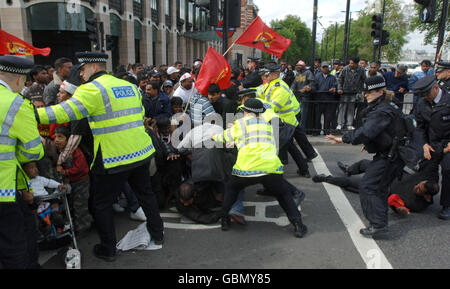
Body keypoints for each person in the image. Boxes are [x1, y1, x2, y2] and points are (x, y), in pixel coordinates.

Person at [35, 52, 164, 262]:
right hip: (141, 152)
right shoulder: (129, 86)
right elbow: (138, 115)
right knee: (145, 195)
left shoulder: (92, 89)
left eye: (83, 69)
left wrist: (31, 113)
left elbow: (62, 113)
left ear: (93, 67)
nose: (81, 75)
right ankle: (157, 234)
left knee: (101, 204)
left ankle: (108, 249)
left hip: (113, 157)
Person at [212, 98, 308, 238]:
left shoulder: (240, 124)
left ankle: (224, 220)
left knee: (232, 188)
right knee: (283, 194)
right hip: (271, 168)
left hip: (246, 169)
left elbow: (224, 137)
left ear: (246, 112)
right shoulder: (267, 125)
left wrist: (214, 136)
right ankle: (298, 225)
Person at [326, 75, 405, 238]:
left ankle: (378, 226)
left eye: (370, 92)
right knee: (379, 188)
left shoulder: (382, 111)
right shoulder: (387, 105)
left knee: (369, 187)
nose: (366, 95)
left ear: (380, 91)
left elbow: (366, 131)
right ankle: (380, 224)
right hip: (392, 154)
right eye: (365, 92)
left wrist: (343, 138)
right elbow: (385, 131)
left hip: (390, 156)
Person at [0, 55, 45, 268]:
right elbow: (33, 150)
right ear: (19, 80)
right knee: (14, 246)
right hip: (4, 190)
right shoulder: (16, 104)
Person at [313, 159, 440, 214]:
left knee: (350, 181)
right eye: (419, 184)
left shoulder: (417, 205)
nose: (416, 186)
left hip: (381, 187)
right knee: (364, 164)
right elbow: (434, 161)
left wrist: (399, 211)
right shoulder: (428, 178)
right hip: (390, 172)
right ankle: (349, 169)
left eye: (419, 189)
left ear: (427, 197)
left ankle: (326, 178)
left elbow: (395, 203)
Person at [413, 75, 450, 220]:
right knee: (426, 169)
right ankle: (427, 196)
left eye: (426, 94)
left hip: (448, 142)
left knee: (448, 170)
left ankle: (447, 205)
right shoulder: (422, 103)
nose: (425, 97)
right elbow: (419, 127)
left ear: (436, 88)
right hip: (432, 143)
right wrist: (424, 144)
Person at [54, 126, 93, 235]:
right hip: (72, 182)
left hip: (81, 182)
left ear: (67, 140)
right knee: (73, 205)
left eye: (60, 137)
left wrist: (65, 172)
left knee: (80, 205)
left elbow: (80, 168)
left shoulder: (75, 151)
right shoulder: (61, 152)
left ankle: (83, 228)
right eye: (55, 137)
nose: (56, 140)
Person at [337, 56, 366, 131]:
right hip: (344, 91)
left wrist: (359, 88)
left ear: (356, 64)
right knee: (342, 107)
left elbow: (364, 80)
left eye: (352, 63)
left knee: (351, 108)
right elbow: (340, 79)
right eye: (350, 63)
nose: (350, 64)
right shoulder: (345, 69)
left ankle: (349, 124)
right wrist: (339, 88)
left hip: (354, 92)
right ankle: (340, 124)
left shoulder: (361, 70)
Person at [290, 60, 316, 130]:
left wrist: (306, 88)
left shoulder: (308, 73)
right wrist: (291, 88)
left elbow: (312, 82)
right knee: (298, 113)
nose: (297, 67)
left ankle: (302, 129)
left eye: (299, 66)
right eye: (297, 65)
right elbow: (294, 83)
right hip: (298, 96)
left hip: (305, 96)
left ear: (303, 66)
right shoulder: (298, 74)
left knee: (303, 114)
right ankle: (298, 128)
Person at [314, 62, 338, 135]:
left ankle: (326, 131)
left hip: (328, 100)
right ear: (321, 68)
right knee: (317, 117)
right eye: (323, 67)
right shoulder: (317, 76)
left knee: (328, 117)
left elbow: (335, 86)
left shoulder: (332, 77)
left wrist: (333, 89)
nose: (325, 69)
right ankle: (316, 131)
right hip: (319, 99)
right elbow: (314, 86)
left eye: (326, 67)